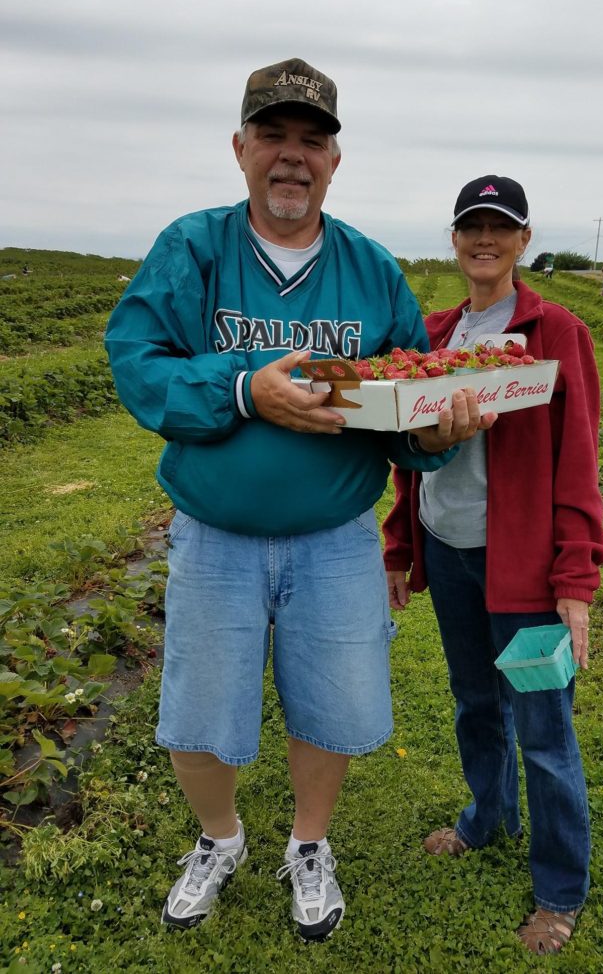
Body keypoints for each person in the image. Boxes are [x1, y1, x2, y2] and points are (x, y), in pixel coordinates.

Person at [105, 57, 490, 941]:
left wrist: (434, 434)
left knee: (331, 701)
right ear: (239, 148)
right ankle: (219, 838)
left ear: (333, 162)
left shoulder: (368, 268)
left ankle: (308, 845)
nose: (291, 157)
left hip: (333, 535)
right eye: (272, 137)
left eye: (310, 142)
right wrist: (247, 389)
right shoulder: (192, 249)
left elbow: (400, 394)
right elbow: (137, 363)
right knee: (198, 711)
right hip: (217, 533)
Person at [383, 174, 603, 955]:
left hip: (523, 570)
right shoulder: (436, 334)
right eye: (470, 227)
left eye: (500, 228)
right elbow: (408, 454)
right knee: (473, 703)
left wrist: (574, 581)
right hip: (449, 556)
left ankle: (558, 890)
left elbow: (578, 462)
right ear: (454, 239)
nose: (484, 240)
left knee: (542, 730)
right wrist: (400, 545)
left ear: (522, 240)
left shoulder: (554, 333)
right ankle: (487, 818)